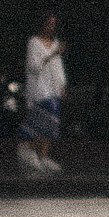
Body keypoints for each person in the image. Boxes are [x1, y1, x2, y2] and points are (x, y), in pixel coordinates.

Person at [20, 12, 64, 177]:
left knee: (51, 121)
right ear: (42, 24)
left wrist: (62, 84)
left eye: (54, 24)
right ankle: (29, 152)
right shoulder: (34, 42)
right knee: (38, 119)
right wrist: (52, 54)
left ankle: (43, 156)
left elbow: (58, 66)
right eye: (49, 23)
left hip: (52, 87)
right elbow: (33, 66)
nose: (51, 27)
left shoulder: (55, 43)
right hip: (39, 87)